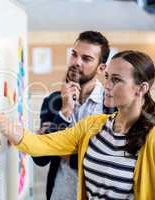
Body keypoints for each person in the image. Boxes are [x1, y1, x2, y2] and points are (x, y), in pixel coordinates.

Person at [0, 50, 155, 200]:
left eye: (117, 80)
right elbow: (36, 144)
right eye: (108, 77)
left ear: (141, 89)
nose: (107, 85)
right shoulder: (93, 126)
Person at [33, 31, 116, 200]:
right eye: (74, 54)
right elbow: (40, 158)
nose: (76, 62)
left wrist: (62, 150)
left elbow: (109, 162)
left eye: (86, 59)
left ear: (101, 68)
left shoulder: (113, 105)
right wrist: (64, 112)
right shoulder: (53, 101)